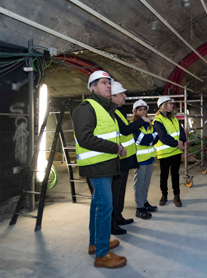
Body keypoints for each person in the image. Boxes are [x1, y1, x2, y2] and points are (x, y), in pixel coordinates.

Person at [73, 70, 126, 269]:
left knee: (98, 206)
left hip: (106, 165)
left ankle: (95, 244)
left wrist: (117, 150)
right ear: (93, 87)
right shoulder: (86, 108)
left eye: (109, 83)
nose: (108, 86)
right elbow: (85, 138)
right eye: (103, 83)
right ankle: (102, 255)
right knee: (105, 207)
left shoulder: (105, 108)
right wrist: (115, 148)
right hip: (97, 167)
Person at [110, 81, 150, 234]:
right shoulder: (113, 111)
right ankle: (112, 223)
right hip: (118, 156)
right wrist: (142, 121)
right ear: (113, 97)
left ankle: (118, 216)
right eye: (121, 94)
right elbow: (125, 130)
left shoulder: (119, 110)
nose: (125, 96)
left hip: (126, 156)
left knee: (120, 191)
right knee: (115, 191)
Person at [153, 95, 187, 207]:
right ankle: (164, 195)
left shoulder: (174, 119)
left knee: (175, 175)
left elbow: (181, 131)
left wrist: (182, 140)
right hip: (165, 153)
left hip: (176, 152)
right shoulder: (158, 120)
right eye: (169, 103)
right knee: (164, 176)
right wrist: (177, 144)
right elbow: (163, 136)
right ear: (163, 106)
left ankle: (176, 196)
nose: (172, 105)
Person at [132, 99, 159, 219]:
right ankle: (139, 208)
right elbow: (142, 139)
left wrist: (150, 137)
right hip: (140, 159)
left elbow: (156, 137)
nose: (143, 111)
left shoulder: (149, 124)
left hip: (150, 158)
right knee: (139, 184)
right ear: (136, 112)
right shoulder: (135, 125)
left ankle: (144, 202)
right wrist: (151, 138)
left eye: (144, 109)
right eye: (140, 110)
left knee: (146, 183)